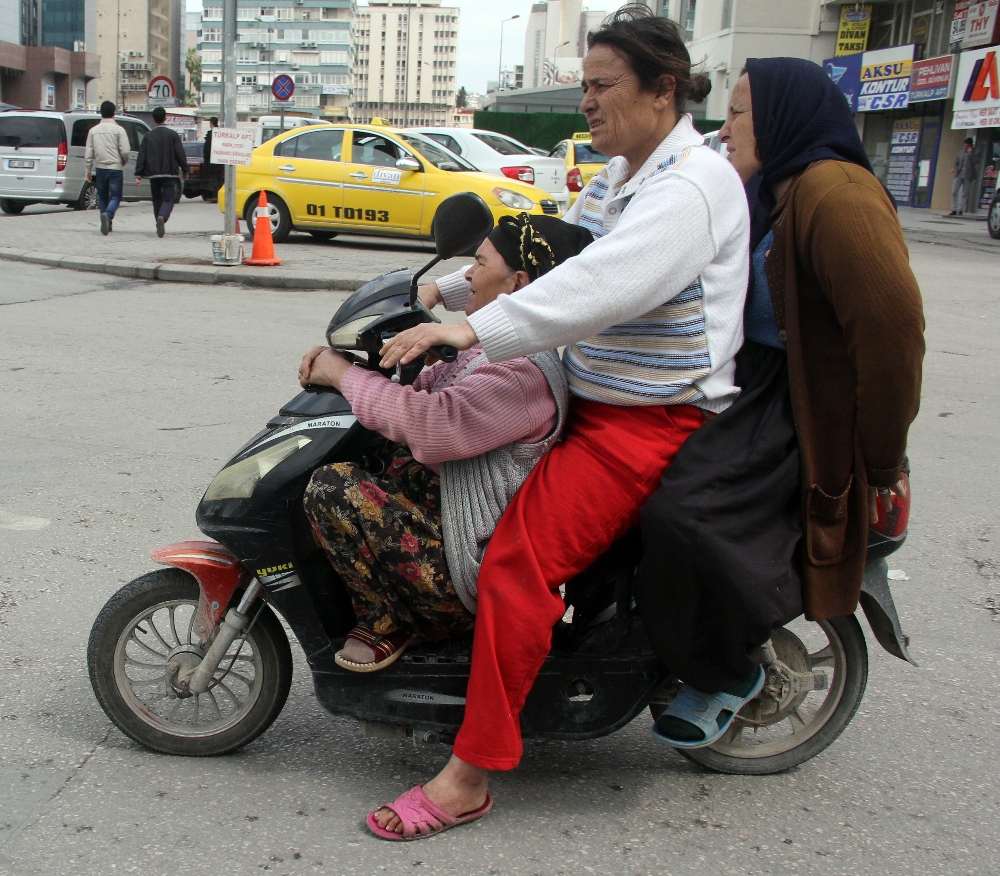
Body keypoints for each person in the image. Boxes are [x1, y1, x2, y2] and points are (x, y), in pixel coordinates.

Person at [372, 5, 750, 840]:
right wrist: (447, 292)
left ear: (662, 90)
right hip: (583, 397)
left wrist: (473, 328)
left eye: (602, 86)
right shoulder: (624, 175)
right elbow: (558, 253)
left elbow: (603, 283)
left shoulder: (690, 187)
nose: (586, 101)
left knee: (514, 561)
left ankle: (468, 776)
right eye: (583, 85)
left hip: (643, 424)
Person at [633, 58, 925, 747]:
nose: (724, 128)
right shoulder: (773, 183)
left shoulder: (838, 195)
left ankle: (727, 669)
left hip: (795, 404)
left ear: (786, 115)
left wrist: (880, 463)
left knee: (685, 514)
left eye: (738, 113)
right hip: (750, 380)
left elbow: (892, 338)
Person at [298, 214, 591, 683]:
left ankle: (394, 620)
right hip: (439, 517)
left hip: (462, 571)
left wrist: (341, 374)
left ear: (517, 283)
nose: (469, 275)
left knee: (333, 488)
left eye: (478, 262)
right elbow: (420, 393)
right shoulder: (487, 349)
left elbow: (431, 424)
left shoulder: (523, 371)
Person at [135, 106, 189, 238]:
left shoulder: (148, 136)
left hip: (153, 174)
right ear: (166, 118)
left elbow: (142, 155)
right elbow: (180, 154)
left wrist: (139, 173)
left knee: (157, 199)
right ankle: (162, 217)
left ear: (153, 119)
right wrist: (185, 170)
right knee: (169, 198)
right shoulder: (173, 135)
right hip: (170, 173)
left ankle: (158, 220)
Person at [84, 101, 131, 236]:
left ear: (101, 113)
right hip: (115, 168)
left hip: (100, 168)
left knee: (103, 197)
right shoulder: (119, 130)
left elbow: (89, 153)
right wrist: (123, 161)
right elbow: (126, 151)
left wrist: (87, 169)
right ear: (114, 113)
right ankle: (108, 215)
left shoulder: (93, 131)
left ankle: (106, 223)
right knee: (116, 196)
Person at [950, 137, 976, 216]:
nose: (965, 147)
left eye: (967, 146)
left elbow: (975, 162)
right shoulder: (961, 152)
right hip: (959, 174)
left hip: (968, 175)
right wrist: (954, 167)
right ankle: (954, 209)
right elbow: (957, 161)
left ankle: (961, 210)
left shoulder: (975, 153)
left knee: (964, 194)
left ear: (970, 145)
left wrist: (970, 154)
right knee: (954, 191)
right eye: (964, 146)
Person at [202, 116, 223, 201]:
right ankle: (220, 195)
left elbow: (207, 149)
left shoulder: (211, 134)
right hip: (220, 160)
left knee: (215, 179)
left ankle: (217, 195)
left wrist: (206, 159)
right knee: (220, 179)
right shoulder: (221, 133)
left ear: (211, 123)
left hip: (212, 160)